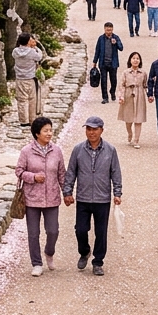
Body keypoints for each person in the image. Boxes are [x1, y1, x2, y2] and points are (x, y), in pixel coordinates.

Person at [63, 116, 122, 276]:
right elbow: (71, 172)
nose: (91, 132)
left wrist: (117, 193)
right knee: (80, 229)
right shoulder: (78, 149)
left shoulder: (110, 150)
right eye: (88, 129)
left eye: (95, 129)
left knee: (101, 232)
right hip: (83, 197)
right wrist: (67, 192)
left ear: (101, 130)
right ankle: (84, 251)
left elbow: (115, 172)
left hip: (102, 199)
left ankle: (98, 262)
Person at [16, 117, 65, 276]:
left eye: (50, 130)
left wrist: (67, 192)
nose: (49, 133)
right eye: (46, 131)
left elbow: (61, 174)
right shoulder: (26, 151)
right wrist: (33, 177)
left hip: (52, 197)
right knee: (33, 234)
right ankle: (36, 263)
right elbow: (19, 171)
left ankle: (49, 252)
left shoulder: (56, 151)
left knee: (53, 231)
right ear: (37, 133)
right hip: (32, 198)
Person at [12, 33, 44, 126]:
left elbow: (14, 55)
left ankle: (23, 120)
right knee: (31, 99)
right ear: (27, 41)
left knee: (22, 100)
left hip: (19, 78)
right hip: (30, 78)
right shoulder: (32, 52)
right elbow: (40, 57)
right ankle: (31, 119)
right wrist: (36, 48)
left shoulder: (15, 51)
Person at [118, 52, 148, 148]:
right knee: (128, 119)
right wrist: (121, 96)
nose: (135, 60)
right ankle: (130, 133)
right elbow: (122, 85)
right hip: (128, 95)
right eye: (133, 58)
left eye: (137, 58)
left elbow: (146, 85)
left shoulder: (143, 73)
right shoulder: (125, 72)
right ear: (130, 60)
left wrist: (149, 95)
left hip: (139, 96)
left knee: (139, 119)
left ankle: (136, 140)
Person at [93, 22, 123, 104]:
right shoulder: (101, 39)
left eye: (110, 30)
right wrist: (95, 61)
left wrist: (116, 43)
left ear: (112, 30)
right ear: (104, 29)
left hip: (113, 63)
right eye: (107, 30)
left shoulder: (116, 37)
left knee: (114, 80)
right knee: (103, 81)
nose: (109, 32)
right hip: (103, 63)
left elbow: (121, 48)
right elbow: (97, 50)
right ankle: (105, 97)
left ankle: (112, 91)